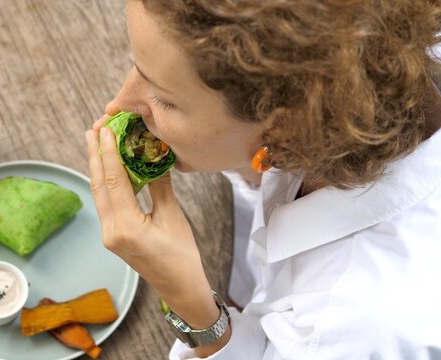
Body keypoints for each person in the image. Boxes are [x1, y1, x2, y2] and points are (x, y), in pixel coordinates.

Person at [85, 0, 441, 358]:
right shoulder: (364, 62)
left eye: (163, 98)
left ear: (286, 129)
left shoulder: (350, 323)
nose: (120, 103)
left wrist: (190, 302)